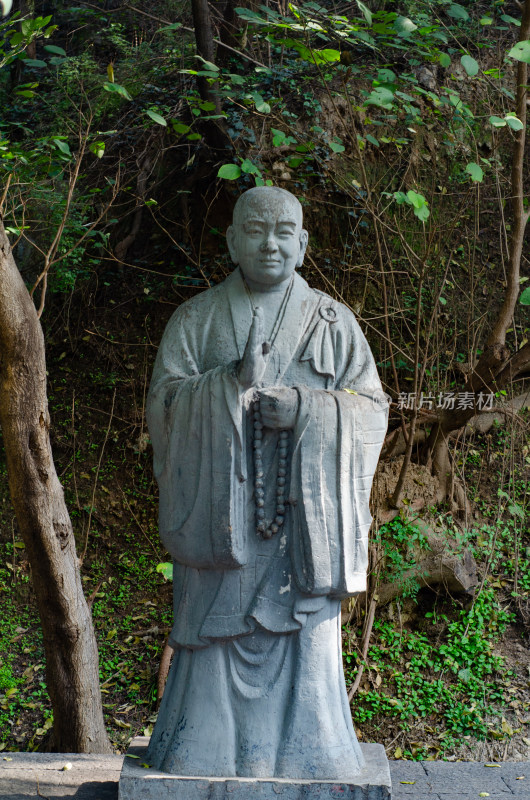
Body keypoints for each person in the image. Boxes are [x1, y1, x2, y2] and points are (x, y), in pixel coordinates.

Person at [145, 186, 388, 780]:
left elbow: (372, 409)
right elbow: (164, 408)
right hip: (218, 529)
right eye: (255, 229)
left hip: (301, 536)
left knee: (305, 646)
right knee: (211, 646)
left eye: (284, 231)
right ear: (231, 240)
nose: (270, 242)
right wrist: (228, 384)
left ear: (303, 245)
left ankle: (314, 753)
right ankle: (201, 750)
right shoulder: (196, 321)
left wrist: (307, 410)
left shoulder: (334, 323)